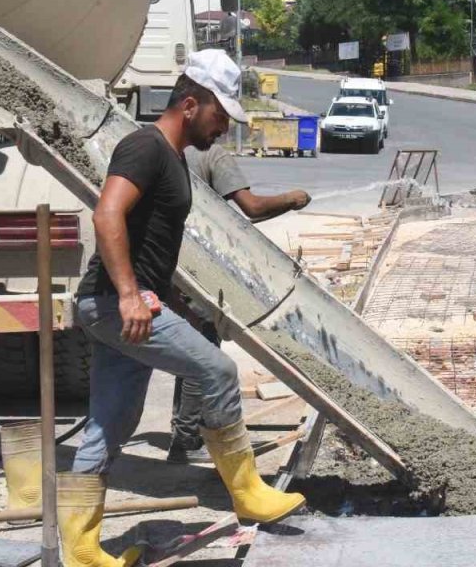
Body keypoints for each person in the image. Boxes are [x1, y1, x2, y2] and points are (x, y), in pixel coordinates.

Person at [64, 49, 306, 567]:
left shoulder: (172, 158)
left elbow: (147, 238)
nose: (225, 129)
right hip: (113, 303)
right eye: (222, 116)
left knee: (111, 423)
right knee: (217, 369)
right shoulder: (144, 146)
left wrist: (163, 294)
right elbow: (107, 214)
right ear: (191, 103)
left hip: (124, 302)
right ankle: (246, 492)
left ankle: (81, 551)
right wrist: (130, 294)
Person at [168, 144, 310, 464]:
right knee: (202, 349)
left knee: (193, 347)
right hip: (199, 263)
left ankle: (187, 430)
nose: (221, 128)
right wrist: (292, 199)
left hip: (173, 260)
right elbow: (253, 207)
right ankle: (186, 439)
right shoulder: (211, 154)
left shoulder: (165, 145)